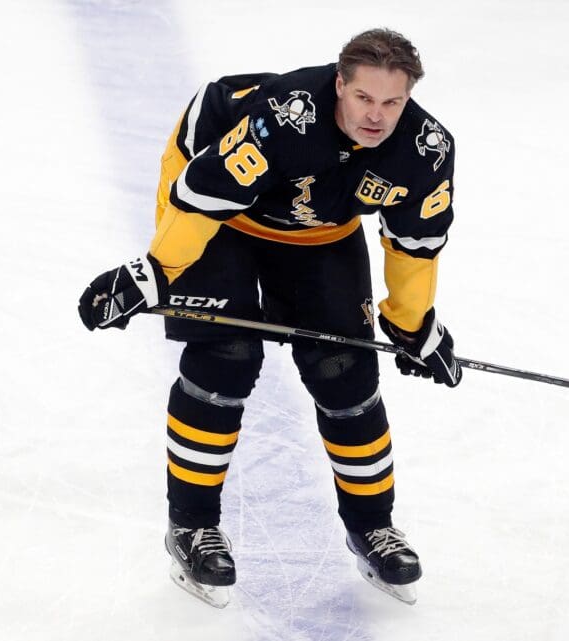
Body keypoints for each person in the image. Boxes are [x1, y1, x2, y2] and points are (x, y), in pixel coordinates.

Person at [77, 28, 461, 608]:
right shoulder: (287, 117)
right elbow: (204, 195)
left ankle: (373, 526)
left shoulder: (425, 149)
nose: (376, 116)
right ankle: (192, 525)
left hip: (317, 225)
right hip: (218, 209)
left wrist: (413, 325)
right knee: (224, 358)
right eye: (364, 98)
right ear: (339, 84)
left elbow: (415, 245)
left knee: (345, 371)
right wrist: (153, 272)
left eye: (392, 102)